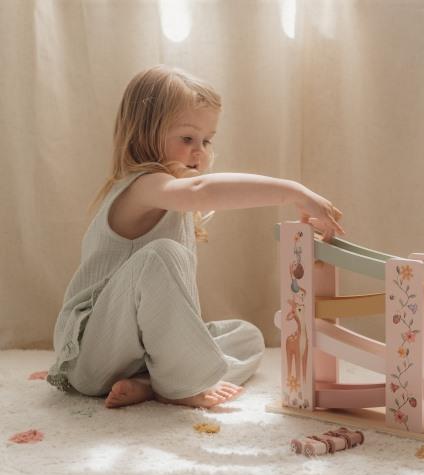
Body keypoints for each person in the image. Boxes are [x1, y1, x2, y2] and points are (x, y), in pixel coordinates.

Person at [46, 65, 345, 410]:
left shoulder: (170, 196)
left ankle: (152, 383)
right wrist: (292, 191)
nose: (200, 150)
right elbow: (200, 191)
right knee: (161, 254)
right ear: (145, 134)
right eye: (187, 139)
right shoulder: (142, 187)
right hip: (92, 355)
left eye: (207, 140)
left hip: (134, 354)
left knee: (246, 336)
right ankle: (182, 384)